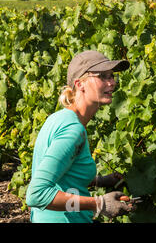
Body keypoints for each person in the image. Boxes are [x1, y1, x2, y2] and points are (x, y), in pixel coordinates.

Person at [26, 50, 134, 223]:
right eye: (103, 76)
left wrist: (99, 181)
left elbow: (61, 175)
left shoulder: (59, 118)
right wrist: (98, 203)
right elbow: (36, 195)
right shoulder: (73, 130)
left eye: (112, 76)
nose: (112, 82)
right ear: (80, 84)